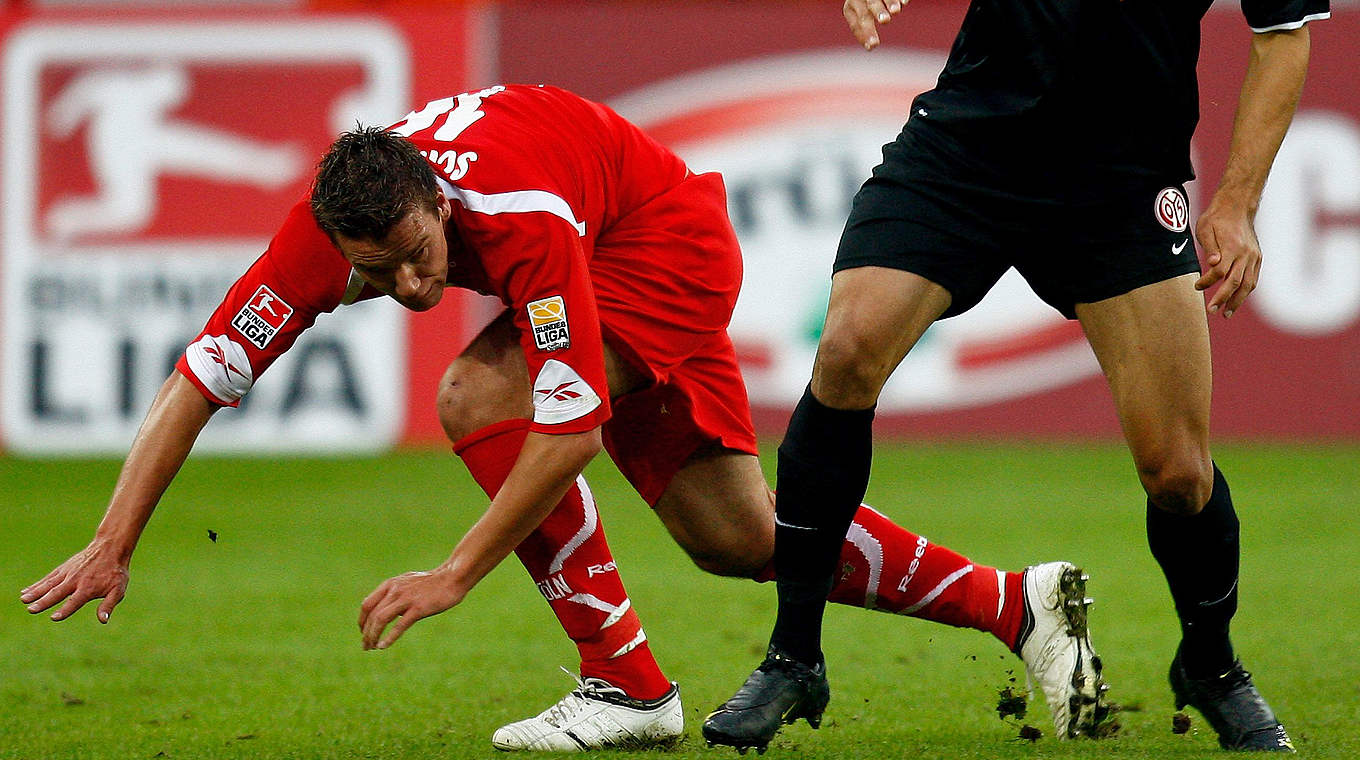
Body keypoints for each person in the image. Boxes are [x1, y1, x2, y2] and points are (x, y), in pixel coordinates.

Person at [21, 84, 1102, 752]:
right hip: (621, 238)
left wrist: (456, 571)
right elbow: (196, 378)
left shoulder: (517, 217)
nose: (407, 285)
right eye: (377, 272)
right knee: (734, 537)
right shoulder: (323, 234)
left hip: (662, 245)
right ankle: (1017, 607)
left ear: (439, 205)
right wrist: (114, 542)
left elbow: (568, 427)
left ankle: (627, 688)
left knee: (475, 393)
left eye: (418, 256)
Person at [704, 0, 1328, 754]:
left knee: (1178, 474)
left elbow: (1283, 36)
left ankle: (1211, 666)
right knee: (847, 351)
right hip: (967, 149)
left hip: (1120, 178)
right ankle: (793, 656)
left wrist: (1238, 201)